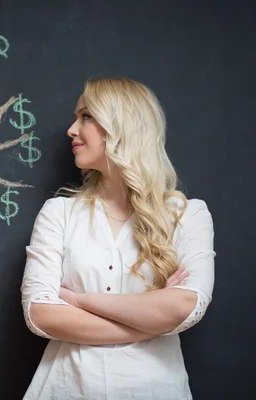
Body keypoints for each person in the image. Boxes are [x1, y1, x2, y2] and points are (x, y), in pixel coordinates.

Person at [20, 77, 215, 399]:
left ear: (122, 124)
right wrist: (148, 322)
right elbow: (41, 312)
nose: (72, 129)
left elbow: (184, 306)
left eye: (86, 116)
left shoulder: (188, 214)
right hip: (66, 389)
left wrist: (81, 301)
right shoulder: (59, 213)